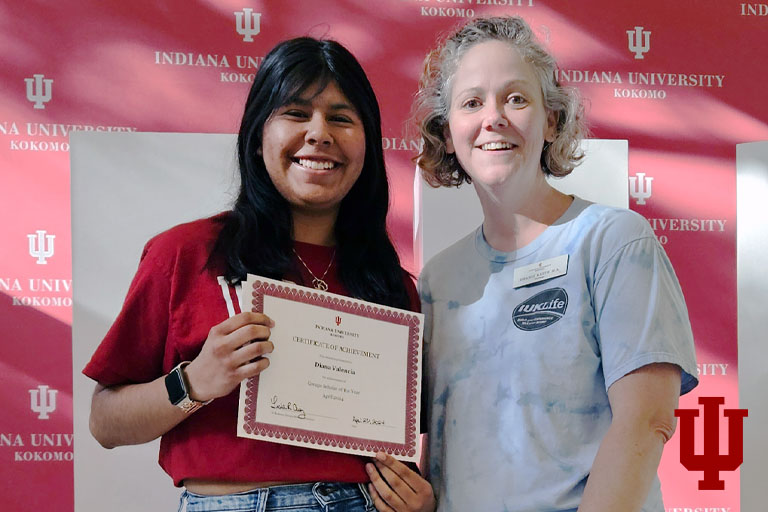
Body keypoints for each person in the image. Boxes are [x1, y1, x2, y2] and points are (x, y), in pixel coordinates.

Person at [84, 37, 434, 512]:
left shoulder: (394, 287)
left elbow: (411, 438)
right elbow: (105, 422)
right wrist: (194, 383)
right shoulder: (185, 254)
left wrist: (418, 500)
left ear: (368, 144)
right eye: (295, 112)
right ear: (257, 135)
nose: (318, 133)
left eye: (341, 117)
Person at [413, 16, 698, 512]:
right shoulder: (437, 279)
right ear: (448, 130)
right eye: (472, 102)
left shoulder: (612, 242)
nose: (493, 118)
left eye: (516, 98)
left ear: (551, 121)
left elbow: (646, 420)